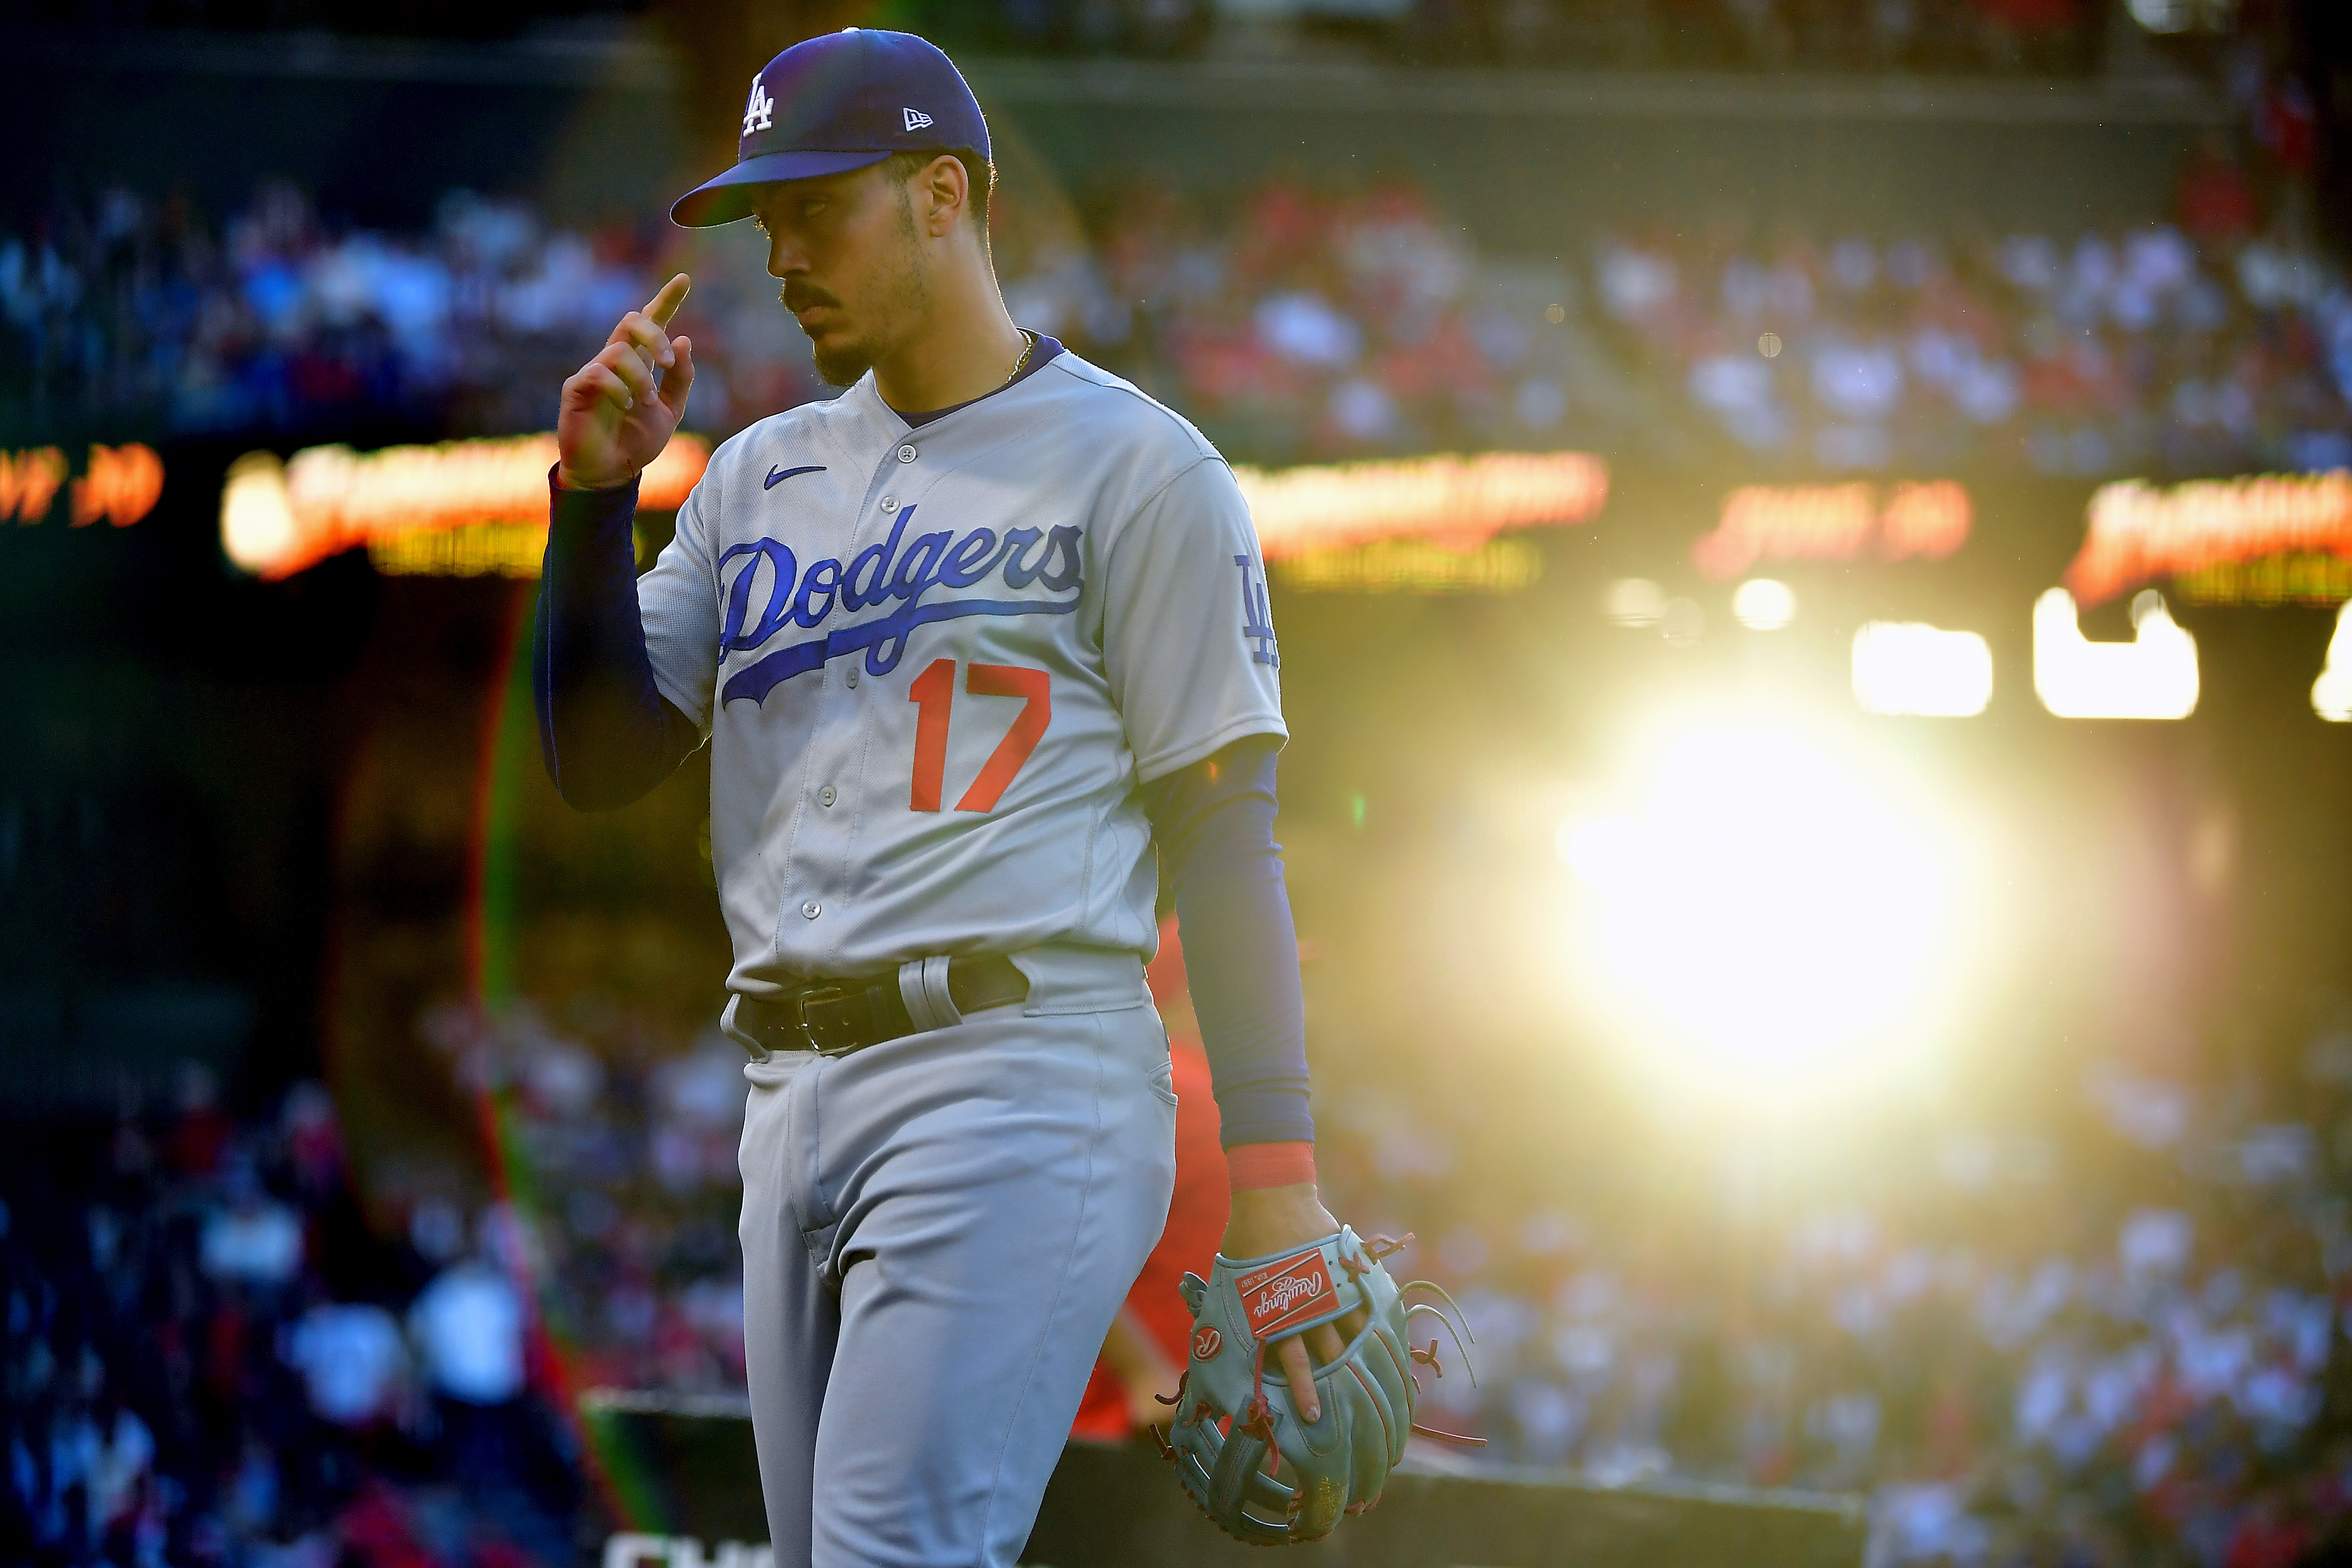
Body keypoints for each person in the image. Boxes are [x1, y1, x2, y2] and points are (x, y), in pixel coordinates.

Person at [533, 27, 1362, 1568]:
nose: (776, 255)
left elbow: (1226, 834)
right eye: (759, 220)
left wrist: (1280, 1182)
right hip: (786, 1092)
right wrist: (592, 503)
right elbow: (604, 757)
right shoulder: (755, 474)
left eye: (812, 210)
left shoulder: (1139, 466)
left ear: (939, 195)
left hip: (1016, 1070)